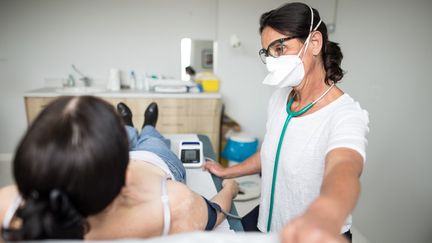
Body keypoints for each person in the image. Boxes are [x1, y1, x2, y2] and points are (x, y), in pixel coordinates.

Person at [204, 2, 369, 242]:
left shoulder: (346, 114)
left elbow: (344, 167)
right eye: (267, 52)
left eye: (279, 48)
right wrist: (227, 171)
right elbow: (270, 152)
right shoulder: (280, 98)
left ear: (314, 43)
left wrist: (326, 215)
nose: (272, 60)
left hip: (310, 232)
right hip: (268, 222)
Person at [0, 96, 238, 241]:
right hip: (152, 160)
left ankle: (126, 126)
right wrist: (230, 186)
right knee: (152, 141)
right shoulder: (175, 203)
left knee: (127, 135)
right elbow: (215, 211)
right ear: (126, 174)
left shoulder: (7, 207)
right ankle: (146, 127)